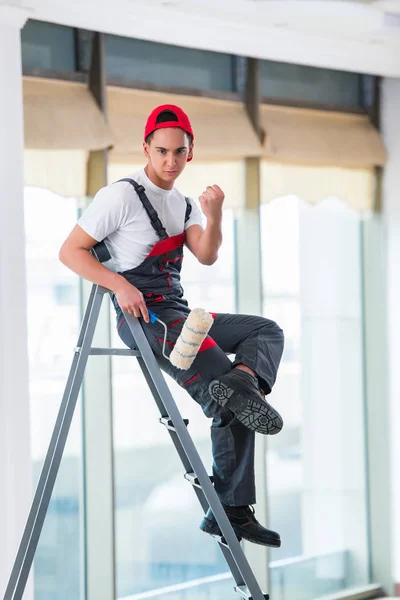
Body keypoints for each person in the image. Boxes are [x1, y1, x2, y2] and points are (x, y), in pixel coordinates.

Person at [59, 104, 285, 547]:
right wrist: (118, 285)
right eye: (161, 151)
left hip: (182, 313)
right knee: (231, 399)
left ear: (190, 152)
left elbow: (206, 253)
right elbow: (71, 251)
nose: (170, 161)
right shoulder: (120, 195)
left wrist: (214, 212)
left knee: (265, 331)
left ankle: (243, 382)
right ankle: (232, 510)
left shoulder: (183, 203)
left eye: (179, 152)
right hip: (145, 317)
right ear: (145, 147)